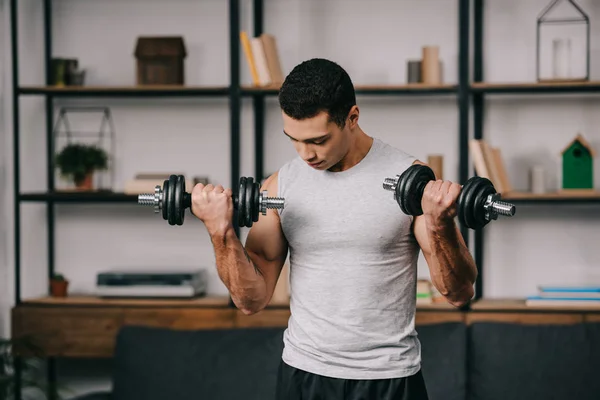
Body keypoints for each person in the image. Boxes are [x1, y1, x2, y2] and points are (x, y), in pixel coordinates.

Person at [191, 58, 478, 400]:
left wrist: (441, 223)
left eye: (317, 140)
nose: (305, 154)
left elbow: (458, 293)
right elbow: (250, 300)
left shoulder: (411, 181)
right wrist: (220, 232)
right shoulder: (282, 183)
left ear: (352, 118)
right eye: (293, 140)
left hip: (387, 377)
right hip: (305, 374)